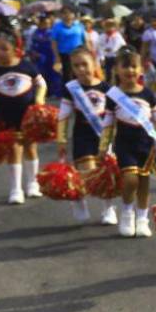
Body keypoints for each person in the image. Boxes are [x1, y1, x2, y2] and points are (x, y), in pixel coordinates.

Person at [101, 46, 156, 238]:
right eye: (125, 66)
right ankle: (127, 213)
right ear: (116, 70)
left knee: (144, 182)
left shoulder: (148, 94)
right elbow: (108, 123)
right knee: (130, 180)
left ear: (141, 69)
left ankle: (142, 219)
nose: (130, 70)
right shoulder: (113, 95)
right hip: (124, 144)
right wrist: (103, 146)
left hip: (146, 144)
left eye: (134, 66)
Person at [0, 30, 46, 204]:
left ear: (15, 49)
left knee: (30, 147)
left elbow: (41, 84)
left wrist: (39, 101)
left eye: (4, 48)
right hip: (5, 115)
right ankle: (16, 188)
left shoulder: (26, 66)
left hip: (27, 115)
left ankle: (33, 183)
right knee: (13, 149)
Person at [56, 45, 114, 225]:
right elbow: (63, 115)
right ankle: (79, 199)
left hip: (103, 136)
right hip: (82, 135)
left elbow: (114, 114)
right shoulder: (71, 89)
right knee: (87, 172)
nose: (81, 69)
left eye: (84, 64)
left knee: (105, 173)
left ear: (94, 63)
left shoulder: (106, 87)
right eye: (76, 66)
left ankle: (108, 208)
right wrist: (61, 138)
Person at [51, 6, 87, 81]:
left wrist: (87, 52)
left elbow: (85, 40)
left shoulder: (79, 25)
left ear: (74, 14)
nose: (67, 15)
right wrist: (57, 57)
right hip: (65, 56)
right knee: (67, 76)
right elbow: (54, 43)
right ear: (61, 15)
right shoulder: (57, 27)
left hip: (79, 54)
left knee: (80, 74)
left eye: (70, 13)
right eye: (64, 13)